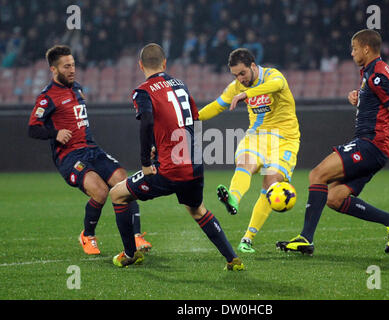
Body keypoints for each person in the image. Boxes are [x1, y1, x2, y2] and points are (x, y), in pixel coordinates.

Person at [276, 29, 389, 255]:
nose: (351, 53)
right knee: (334, 198)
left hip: (371, 144)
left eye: (354, 48)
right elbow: (377, 106)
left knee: (317, 175)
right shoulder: (371, 72)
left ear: (366, 48)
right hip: (373, 146)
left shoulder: (377, 74)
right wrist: (359, 100)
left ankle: (305, 239)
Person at [109, 43, 244, 270]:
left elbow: (147, 122)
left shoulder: (142, 91)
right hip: (193, 162)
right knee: (197, 209)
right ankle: (233, 259)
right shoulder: (180, 85)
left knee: (117, 194)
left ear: (140, 65)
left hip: (169, 169)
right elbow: (192, 120)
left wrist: (145, 162)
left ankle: (131, 254)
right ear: (164, 63)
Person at [28, 45, 151, 255]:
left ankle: (136, 236)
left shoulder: (76, 88)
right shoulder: (47, 97)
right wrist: (55, 133)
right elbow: (33, 128)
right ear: (54, 70)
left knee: (125, 182)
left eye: (73, 65)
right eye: (66, 66)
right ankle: (88, 235)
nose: (72, 70)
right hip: (69, 156)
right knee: (101, 191)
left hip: (92, 149)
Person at [198, 48, 300, 253]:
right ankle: (233, 198)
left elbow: (277, 85)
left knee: (271, 183)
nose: (240, 79)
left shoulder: (272, 75)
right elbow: (217, 106)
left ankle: (248, 238)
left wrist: (246, 93)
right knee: (245, 162)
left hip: (285, 139)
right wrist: (191, 118)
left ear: (253, 66)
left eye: (242, 73)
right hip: (257, 136)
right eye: (235, 75)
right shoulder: (236, 86)